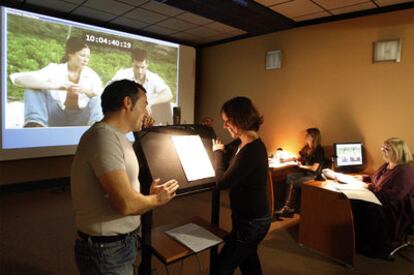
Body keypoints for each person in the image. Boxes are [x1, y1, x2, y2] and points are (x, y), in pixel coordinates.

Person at [71, 79, 179, 274]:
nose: (146, 113)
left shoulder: (118, 137)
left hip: (118, 245)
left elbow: (123, 188)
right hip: (106, 251)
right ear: (128, 103)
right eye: (144, 105)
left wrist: (146, 194)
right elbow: (125, 204)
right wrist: (156, 199)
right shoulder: (102, 138)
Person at [212, 96, 271, 275]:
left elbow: (222, 182)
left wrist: (217, 154)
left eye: (227, 121)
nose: (224, 126)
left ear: (239, 119)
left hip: (252, 223)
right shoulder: (241, 143)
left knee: (221, 267)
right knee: (249, 262)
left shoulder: (252, 150)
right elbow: (223, 149)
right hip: (246, 218)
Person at [9, 37, 103, 127]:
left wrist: (86, 91)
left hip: (81, 118)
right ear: (70, 53)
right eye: (82, 55)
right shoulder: (55, 69)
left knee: (97, 97)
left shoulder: (92, 75)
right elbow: (18, 79)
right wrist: (57, 86)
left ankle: (99, 129)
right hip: (57, 116)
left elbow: (102, 98)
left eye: (88, 57)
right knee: (33, 87)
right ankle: (35, 124)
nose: (86, 60)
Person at [352, 137, 414, 258]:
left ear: (398, 151)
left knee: (371, 210)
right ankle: (359, 241)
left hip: (397, 206)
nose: (383, 150)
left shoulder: (405, 170)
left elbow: (396, 195)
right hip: (379, 197)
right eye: (383, 147)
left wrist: (372, 189)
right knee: (355, 203)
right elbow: (378, 181)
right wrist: (364, 179)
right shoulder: (387, 165)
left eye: (387, 148)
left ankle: (379, 247)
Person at [111, 48, 173, 123]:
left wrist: (150, 102)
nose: (140, 71)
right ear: (132, 63)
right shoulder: (122, 74)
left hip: (147, 116)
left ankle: (167, 131)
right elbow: (110, 92)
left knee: (166, 104)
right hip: (127, 113)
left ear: (147, 64)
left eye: (142, 67)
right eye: (136, 67)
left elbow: (168, 93)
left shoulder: (153, 77)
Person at [276, 128, 325, 217]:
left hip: (313, 176)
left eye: (307, 135)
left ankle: (286, 207)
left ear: (313, 137)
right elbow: (298, 158)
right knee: (289, 176)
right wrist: (285, 160)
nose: (305, 136)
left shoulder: (319, 150)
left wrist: (301, 166)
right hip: (305, 173)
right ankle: (290, 207)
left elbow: (314, 168)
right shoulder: (307, 148)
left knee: (292, 182)